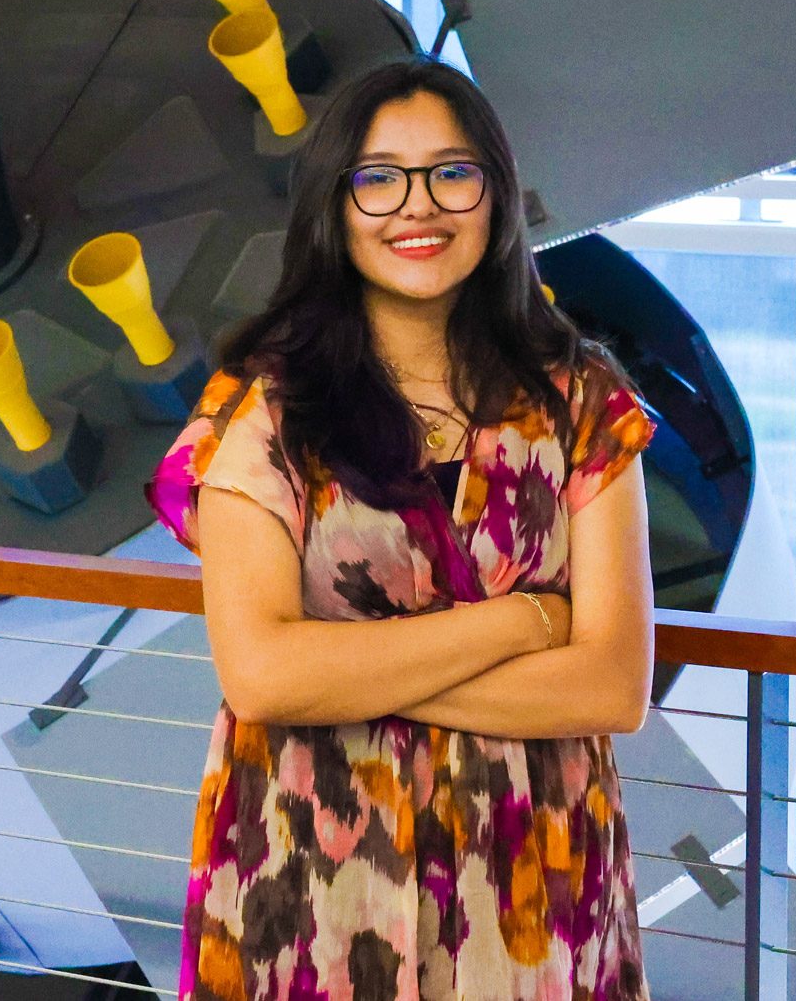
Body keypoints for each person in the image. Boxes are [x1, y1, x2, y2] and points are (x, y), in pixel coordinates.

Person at [145, 56, 657, 1000]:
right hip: (310, 890)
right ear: (335, 210)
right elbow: (260, 675)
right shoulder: (261, 410)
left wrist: (350, 673)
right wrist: (526, 623)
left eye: (452, 174)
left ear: (497, 199)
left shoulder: (582, 401)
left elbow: (615, 685)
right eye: (379, 179)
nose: (417, 208)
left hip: (537, 892)